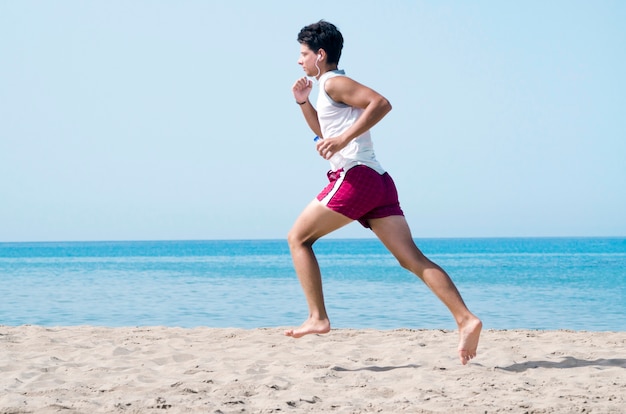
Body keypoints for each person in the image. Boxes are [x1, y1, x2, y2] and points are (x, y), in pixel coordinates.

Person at [285, 20, 482, 365]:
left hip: (356, 179)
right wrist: (303, 103)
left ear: (320, 54)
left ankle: (318, 317)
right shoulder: (326, 88)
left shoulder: (335, 82)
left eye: (303, 54)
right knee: (411, 259)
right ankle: (466, 319)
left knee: (298, 238)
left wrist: (343, 140)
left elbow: (381, 103)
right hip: (377, 181)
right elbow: (325, 132)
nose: (299, 61)